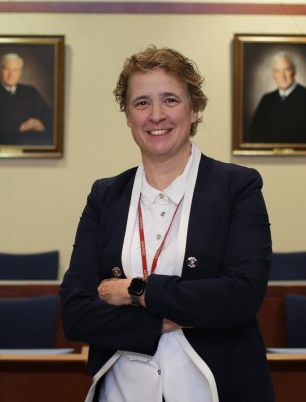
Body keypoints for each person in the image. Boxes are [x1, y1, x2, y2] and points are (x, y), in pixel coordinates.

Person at [60, 46, 275, 401]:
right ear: (128, 116)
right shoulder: (105, 196)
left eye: (170, 100)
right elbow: (76, 313)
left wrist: (136, 292)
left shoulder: (238, 187)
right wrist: (165, 319)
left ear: (194, 110)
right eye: (141, 103)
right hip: (122, 391)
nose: (156, 115)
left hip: (215, 388)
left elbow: (241, 296)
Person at [0, 53, 53, 145]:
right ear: (0, 70)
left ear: (20, 72)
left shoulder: (30, 91)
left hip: (28, 147)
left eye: (15, 70)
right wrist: (21, 127)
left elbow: (47, 116)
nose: (11, 75)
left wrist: (37, 123)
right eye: (6, 70)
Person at [247, 52, 306, 144]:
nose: (282, 76)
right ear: (273, 74)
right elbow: (254, 136)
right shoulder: (266, 100)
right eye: (277, 71)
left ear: (294, 71)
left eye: (286, 70)